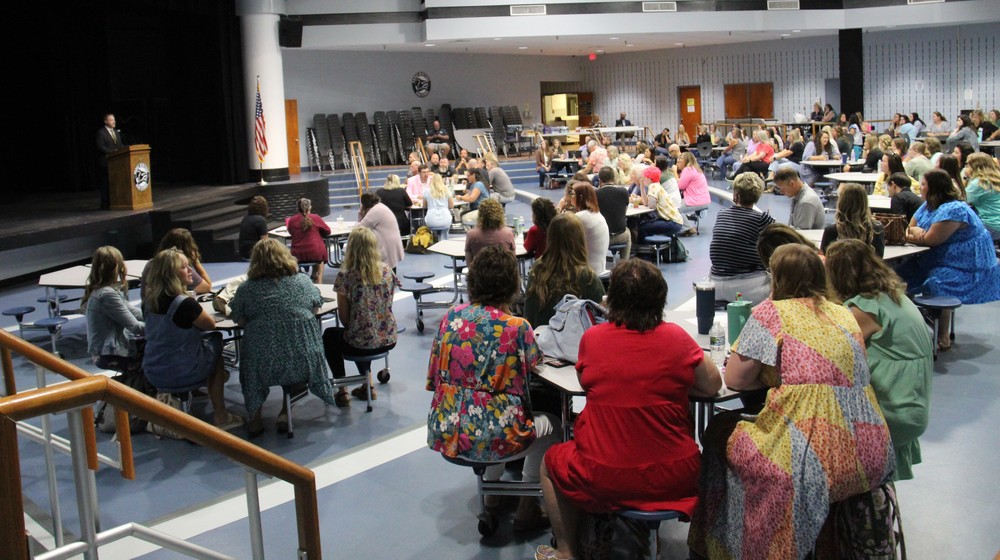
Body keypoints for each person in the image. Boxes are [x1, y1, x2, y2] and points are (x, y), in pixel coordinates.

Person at [687, 244, 895, 560]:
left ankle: (732, 544)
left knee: (719, 433)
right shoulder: (845, 314)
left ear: (777, 277)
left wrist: (769, 378)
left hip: (810, 454)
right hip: (868, 450)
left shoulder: (772, 312)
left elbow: (736, 379)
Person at [536, 259, 722, 560]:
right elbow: (712, 384)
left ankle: (567, 552)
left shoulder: (593, 339)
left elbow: (586, 382)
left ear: (612, 300)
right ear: (660, 298)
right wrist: (673, 383)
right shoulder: (676, 338)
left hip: (602, 473)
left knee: (551, 463)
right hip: (674, 474)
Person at [427, 245, 559, 534]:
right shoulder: (517, 327)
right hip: (496, 434)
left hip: (450, 428)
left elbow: (433, 377)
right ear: (513, 283)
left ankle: (493, 494)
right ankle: (528, 503)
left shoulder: (451, 318)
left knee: (488, 414)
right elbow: (535, 365)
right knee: (554, 426)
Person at [825, 239, 933, 480]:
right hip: (911, 403)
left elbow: (829, 351)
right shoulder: (890, 296)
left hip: (892, 409)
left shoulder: (865, 310)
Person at [230, 239, 338, 436]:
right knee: (300, 360)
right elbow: (315, 308)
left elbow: (240, 320)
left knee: (252, 370)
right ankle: (284, 413)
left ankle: (254, 420)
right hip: (302, 360)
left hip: (263, 362)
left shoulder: (246, 289)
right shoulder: (303, 282)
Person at [141, 248, 243, 430]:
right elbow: (210, 325)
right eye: (184, 267)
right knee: (216, 345)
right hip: (180, 371)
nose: (190, 271)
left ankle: (194, 391)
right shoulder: (184, 304)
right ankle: (221, 415)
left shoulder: (149, 300)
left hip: (153, 370)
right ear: (171, 273)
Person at [898, 169, 1000, 348]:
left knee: (937, 281)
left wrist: (916, 234)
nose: (919, 188)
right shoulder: (928, 205)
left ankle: (942, 335)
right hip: (933, 257)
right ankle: (908, 323)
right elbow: (908, 228)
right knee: (895, 276)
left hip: (964, 264)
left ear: (935, 188)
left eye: (923, 184)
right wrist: (916, 232)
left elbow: (932, 240)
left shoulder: (954, 209)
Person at [324, 227, 399, 405]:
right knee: (364, 332)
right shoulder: (388, 271)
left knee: (331, 336)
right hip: (388, 337)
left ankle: (342, 391)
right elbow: (388, 304)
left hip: (362, 341)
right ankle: (368, 385)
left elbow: (345, 319)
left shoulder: (346, 277)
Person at [523, 213, 604, 328]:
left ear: (550, 238)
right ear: (579, 239)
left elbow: (529, 314)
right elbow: (602, 321)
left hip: (537, 340)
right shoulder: (587, 278)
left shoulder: (537, 268)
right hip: (573, 344)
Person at [709, 173, 775, 303]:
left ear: (736, 194)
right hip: (747, 288)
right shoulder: (762, 219)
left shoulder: (722, 214)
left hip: (715, 284)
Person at [84, 246, 144, 372]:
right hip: (109, 354)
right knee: (161, 350)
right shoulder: (106, 294)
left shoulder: (106, 290)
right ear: (116, 266)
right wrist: (162, 328)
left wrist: (158, 318)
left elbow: (136, 313)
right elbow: (135, 326)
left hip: (106, 351)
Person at [140, 228, 212, 299]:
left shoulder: (152, 263)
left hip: (149, 307)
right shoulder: (179, 267)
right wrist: (196, 262)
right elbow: (207, 286)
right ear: (188, 248)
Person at [821, 183, 885, 257]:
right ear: (865, 202)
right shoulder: (877, 228)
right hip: (869, 268)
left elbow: (825, 258)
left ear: (841, 202)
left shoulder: (831, 231)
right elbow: (879, 257)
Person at [287, 198, 331, 283]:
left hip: (298, 254)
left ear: (298, 208)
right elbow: (328, 231)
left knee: (311, 254)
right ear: (310, 207)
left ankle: (301, 281)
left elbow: (290, 232)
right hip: (316, 253)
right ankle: (318, 280)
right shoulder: (316, 217)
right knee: (318, 257)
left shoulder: (292, 220)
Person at [358, 192, 405, 271]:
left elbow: (360, 228)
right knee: (391, 269)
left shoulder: (375, 211)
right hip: (391, 243)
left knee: (387, 271)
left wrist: (359, 215)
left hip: (386, 245)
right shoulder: (380, 206)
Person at [636, 166, 685, 240]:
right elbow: (646, 203)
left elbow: (652, 205)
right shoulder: (657, 186)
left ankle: (645, 249)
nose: (643, 180)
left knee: (643, 227)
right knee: (647, 225)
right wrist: (642, 188)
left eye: (644, 178)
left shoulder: (653, 186)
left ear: (650, 178)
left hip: (672, 223)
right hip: (676, 222)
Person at [573, 182, 610, 276]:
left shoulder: (581, 217)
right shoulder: (597, 214)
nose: (570, 197)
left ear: (580, 198)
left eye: (572, 194)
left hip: (587, 271)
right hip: (599, 267)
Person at [595, 167, 631, 260]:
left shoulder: (595, 194)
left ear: (600, 181)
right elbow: (624, 212)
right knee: (628, 232)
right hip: (620, 235)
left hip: (602, 236)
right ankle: (624, 262)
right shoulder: (623, 192)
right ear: (614, 179)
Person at [464, 198, 514, 264]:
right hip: (504, 273)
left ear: (480, 215)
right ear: (500, 214)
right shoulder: (508, 234)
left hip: (479, 273)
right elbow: (513, 261)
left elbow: (469, 264)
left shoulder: (471, 235)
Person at [965, 153, 1000, 238]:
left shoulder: (978, 183)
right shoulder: (996, 179)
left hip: (991, 227)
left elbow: (962, 202)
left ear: (975, 167)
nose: (965, 168)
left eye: (967, 165)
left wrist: (966, 178)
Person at [95, 112, 126, 209]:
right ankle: (105, 204)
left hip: (116, 163)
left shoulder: (116, 132)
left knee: (115, 183)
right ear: (106, 121)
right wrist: (112, 152)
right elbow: (100, 146)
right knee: (105, 183)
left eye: (114, 120)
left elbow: (120, 146)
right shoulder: (101, 132)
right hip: (105, 162)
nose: (114, 122)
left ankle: (115, 202)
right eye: (111, 120)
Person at [422, 172, 454, 240]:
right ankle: (443, 241)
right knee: (445, 230)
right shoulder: (447, 190)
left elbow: (424, 206)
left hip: (431, 219)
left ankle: (434, 239)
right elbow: (451, 206)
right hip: (445, 218)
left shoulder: (426, 191)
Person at [238, 195, 270, 260]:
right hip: (254, 253)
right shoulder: (261, 220)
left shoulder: (245, 218)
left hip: (243, 252)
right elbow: (265, 242)